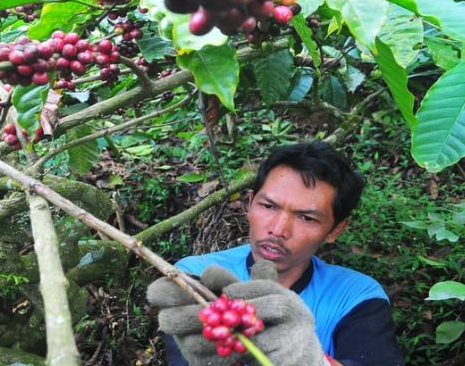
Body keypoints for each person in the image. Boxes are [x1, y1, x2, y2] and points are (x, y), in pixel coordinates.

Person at [147, 141, 405, 366]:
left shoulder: (356, 296)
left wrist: (309, 359)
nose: (278, 229)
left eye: (306, 217)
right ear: (249, 204)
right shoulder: (196, 275)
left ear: (335, 229)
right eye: (268, 206)